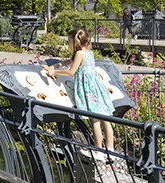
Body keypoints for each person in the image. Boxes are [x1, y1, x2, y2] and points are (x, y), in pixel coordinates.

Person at [43, 28, 115, 158]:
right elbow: (68, 61)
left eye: (69, 41)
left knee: (95, 121)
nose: (68, 43)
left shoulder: (79, 54)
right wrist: (56, 65)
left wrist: (54, 72)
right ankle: (111, 150)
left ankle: (98, 150)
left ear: (74, 40)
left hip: (89, 90)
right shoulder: (88, 52)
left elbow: (71, 71)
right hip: (97, 87)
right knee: (106, 119)